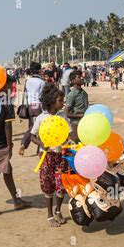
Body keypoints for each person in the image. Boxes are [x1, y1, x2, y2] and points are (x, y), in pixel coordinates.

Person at [0, 76, 31, 217]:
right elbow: (7, 125)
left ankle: (16, 200)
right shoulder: (7, 103)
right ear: (5, 85)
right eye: (11, 84)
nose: (12, 87)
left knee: (7, 171)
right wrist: (10, 145)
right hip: (0, 143)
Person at [31, 84, 72, 227]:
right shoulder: (41, 118)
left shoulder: (63, 117)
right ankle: (49, 215)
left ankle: (58, 210)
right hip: (46, 157)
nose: (63, 103)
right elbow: (32, 135)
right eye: (61, 100)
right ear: (52, 102)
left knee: (61, 186)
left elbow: (68, 133)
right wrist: (41, 144)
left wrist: (71, 141)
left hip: (61, 155)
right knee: (48, 186)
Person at [18, 62, 45, 156]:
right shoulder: (42, 82)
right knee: (39, 128)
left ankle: (24, 145)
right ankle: (38, 148)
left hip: (30, 106)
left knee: (32, 126)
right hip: (38, 106)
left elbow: (25, 94)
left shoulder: (28, 80)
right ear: (39, 70)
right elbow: (42, 96)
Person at [65, 71, 88, 142]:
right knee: (77, 143)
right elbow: (67, 113)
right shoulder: (72, 95)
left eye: (81, 76)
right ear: (73, 81)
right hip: (76, 124)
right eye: (79, 77)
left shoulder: (84, 93)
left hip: (85, 123)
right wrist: (81, 115)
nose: (82, 78)